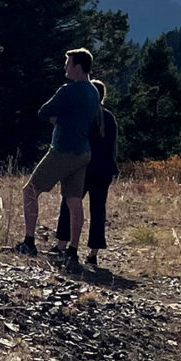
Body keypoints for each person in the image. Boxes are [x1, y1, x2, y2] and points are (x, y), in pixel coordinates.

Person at [14, 48, 100, 270]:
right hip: (83, 151)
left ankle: (29, 242)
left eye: (68, 63)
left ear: (77, 67)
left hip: (63, 150)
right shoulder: (94, 92)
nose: (65, 67)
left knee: (30, 190)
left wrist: (57, 119)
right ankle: (72, 250)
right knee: (74, 200)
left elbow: (44, 111)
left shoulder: (68, 90)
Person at [51, 78, 118, 266]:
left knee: (69, 204)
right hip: (104, 170)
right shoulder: (109, 118)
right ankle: (93, 252)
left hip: (83, 167)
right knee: (98, 209)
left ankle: (63, 244)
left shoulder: (83, 116)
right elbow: (112, 147)